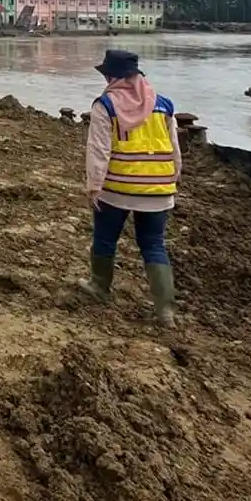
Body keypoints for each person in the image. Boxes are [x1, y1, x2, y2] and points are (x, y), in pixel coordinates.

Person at [76, 48, 181, 328]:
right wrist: (172, 180)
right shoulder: (163, 105)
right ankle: (165, 310)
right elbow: (174, 149)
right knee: (154, 245)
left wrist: (93, 186)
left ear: (111, 77)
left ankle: (99, 287)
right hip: (159, 189)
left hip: (117, 189)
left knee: (105, 238)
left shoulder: (105, 106)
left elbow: (99, 151)